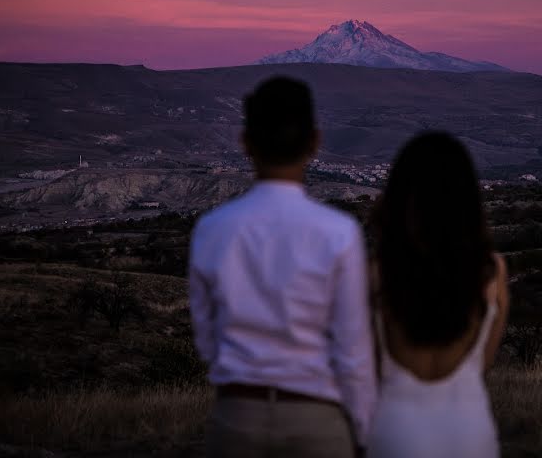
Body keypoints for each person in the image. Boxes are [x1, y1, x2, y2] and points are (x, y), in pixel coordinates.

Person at [188, 76, 376, 457]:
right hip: (317, 419)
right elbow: (353, 347)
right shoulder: (339, 232)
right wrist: (363, 427)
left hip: (237, 416)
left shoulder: (212, 229)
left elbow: (207, 336)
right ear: (315, 142)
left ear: (245, 143)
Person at [367, 131, 509, 458]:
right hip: (470, 432)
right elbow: (482, 363)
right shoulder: (491, 272)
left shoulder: (375, 274)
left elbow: (365, 365)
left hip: (393, 432)